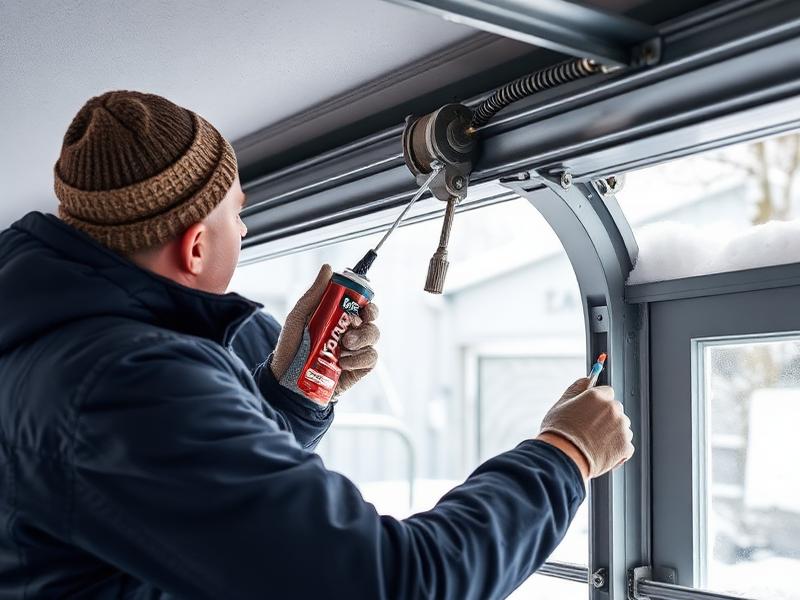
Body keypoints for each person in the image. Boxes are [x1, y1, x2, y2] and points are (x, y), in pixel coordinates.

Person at [0, 91, 634, 599]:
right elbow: (393, 583)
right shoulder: (128, 378)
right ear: (195, 246)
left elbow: (175, 501)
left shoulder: (51, 348)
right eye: (239, 214)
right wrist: (565, 454)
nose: (243, 231)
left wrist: (287, 395)